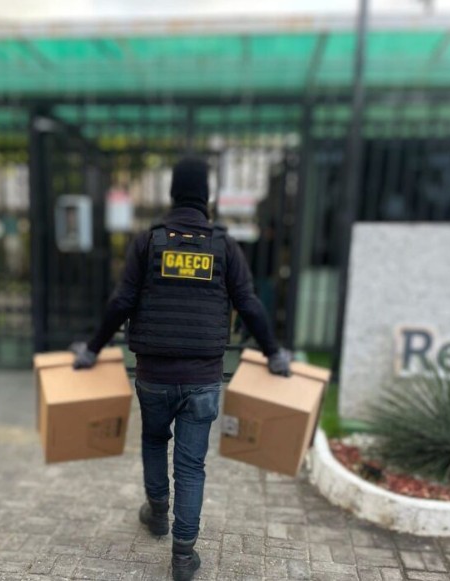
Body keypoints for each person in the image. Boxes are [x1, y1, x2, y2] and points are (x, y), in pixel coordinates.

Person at [72, 157, 290, 581]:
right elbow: (249, 303)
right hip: (203, 378)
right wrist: (274, 353)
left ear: (173, 193)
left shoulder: (148, 242)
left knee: (155, 441)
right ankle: (184, 557)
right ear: (206, 196)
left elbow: (122, 301)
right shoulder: (224, 246)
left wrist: (93, 349)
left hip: (154, 375)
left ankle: (157, 514)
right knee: (191, 465)